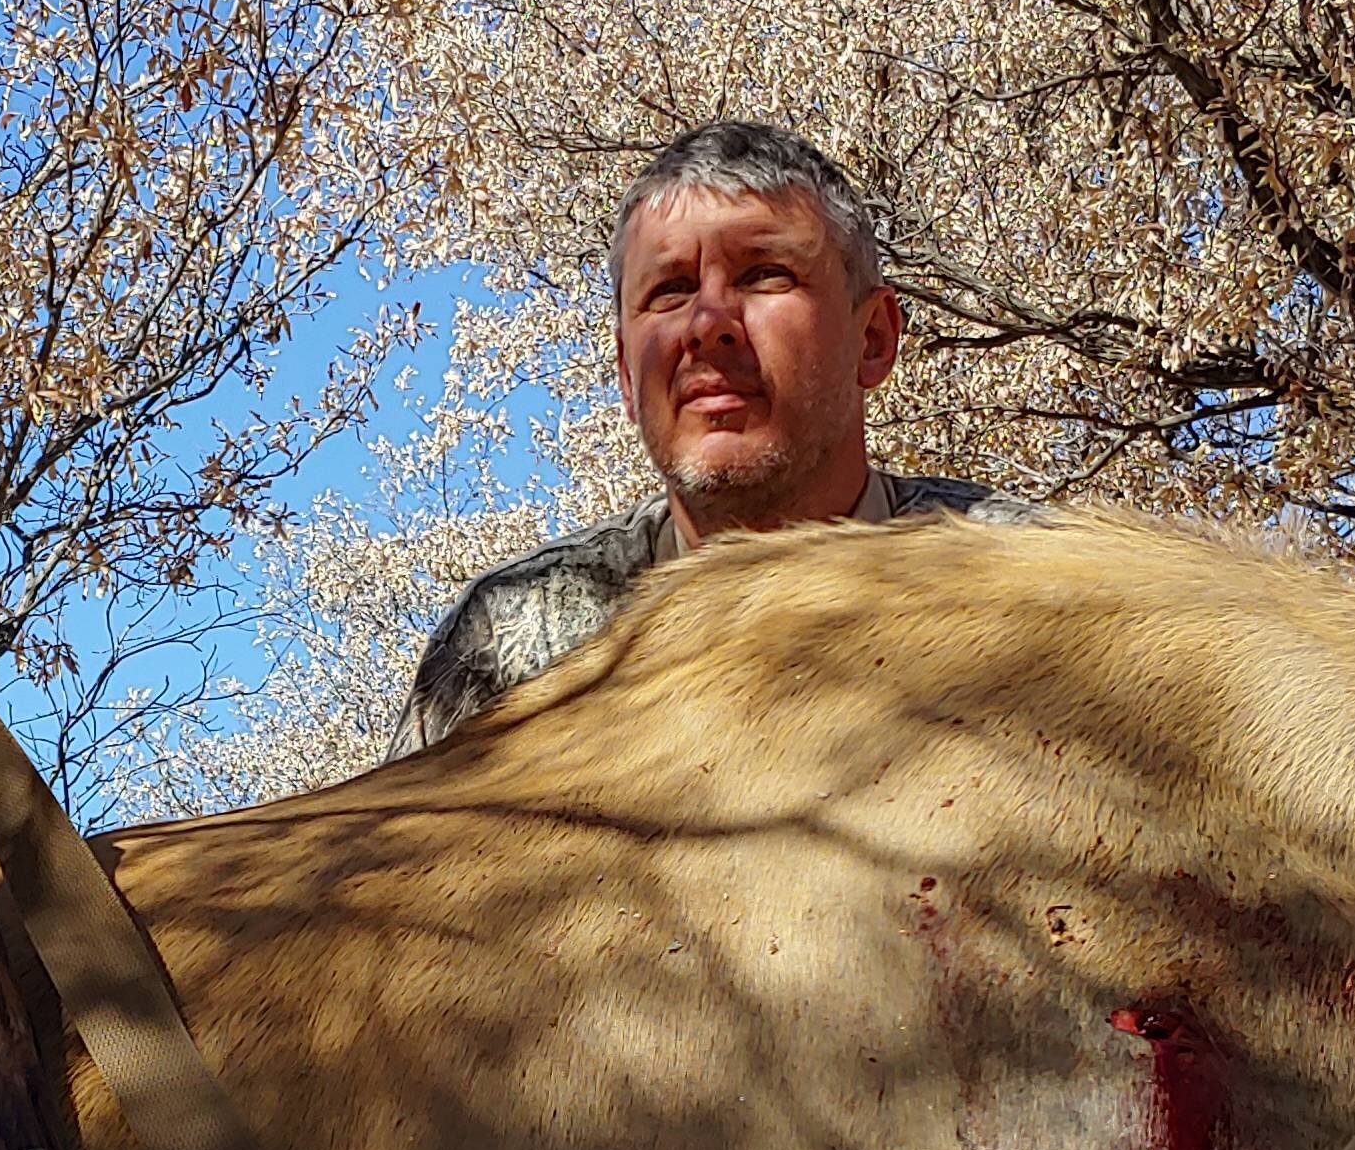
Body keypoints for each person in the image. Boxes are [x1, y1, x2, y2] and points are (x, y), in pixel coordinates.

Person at [394, 118, 1029, 752]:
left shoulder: (1034, 593)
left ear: (873, 340)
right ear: (625, 374)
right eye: (669, 291)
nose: (708, 324)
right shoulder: (503, 642)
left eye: (765, 275)